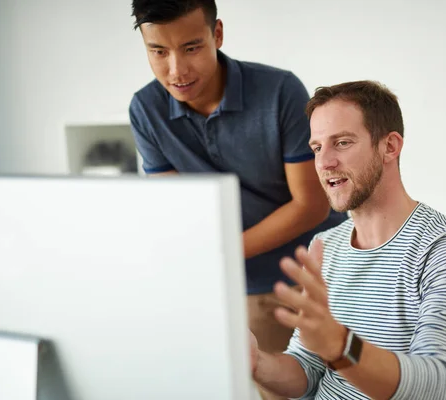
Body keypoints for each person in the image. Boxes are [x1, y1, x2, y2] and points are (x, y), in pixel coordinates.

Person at [128, 1, 346, 398]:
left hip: (317, 276)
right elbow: (178, 213)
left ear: (218, 35)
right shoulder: (145, 109)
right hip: (237, 285)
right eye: (158, 51)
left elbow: (311, 205)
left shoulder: (280, 91)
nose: (176, 70)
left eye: (191, 48)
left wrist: (221, 254)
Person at [250, 81, 446, 400]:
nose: (324, 163)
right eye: (317, 148)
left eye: (342, 142)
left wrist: (341, 345)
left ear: (389, 147)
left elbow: (441, 385)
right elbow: (307, 370)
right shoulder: (325, 246)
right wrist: (255, 362)